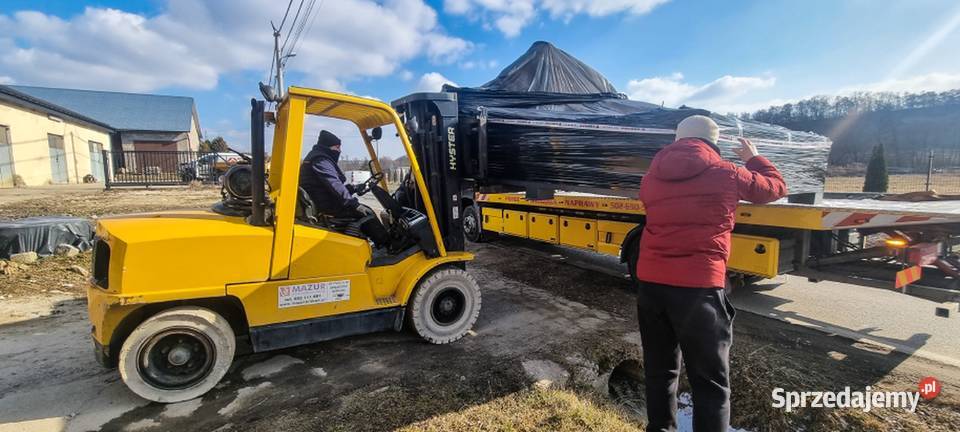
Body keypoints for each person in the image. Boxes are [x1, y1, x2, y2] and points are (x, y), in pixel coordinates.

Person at [635, 115, 787, 432]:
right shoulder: (727, 172)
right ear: (713, 142)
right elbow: (775, 188)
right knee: (711, 383)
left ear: (677, 140)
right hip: (698, 287)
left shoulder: (650, 177)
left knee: (659, 371)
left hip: (651, 286)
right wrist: (754, 158)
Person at [300, 130, 389, 246]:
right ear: (328, 146)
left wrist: (353, 188)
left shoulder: (315, 157)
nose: (339, 151)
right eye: (337, 147)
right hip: (327, 206)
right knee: (367, 212)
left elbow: (328, 187)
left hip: (323, 201)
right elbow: (334, 185)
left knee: (363, 210)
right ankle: (387, 245)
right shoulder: (320, 160)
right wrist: (354, 204)